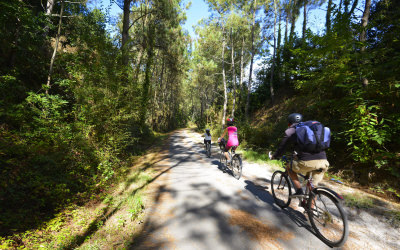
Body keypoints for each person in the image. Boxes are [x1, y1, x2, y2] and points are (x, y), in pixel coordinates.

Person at [271, 113, 329, 197]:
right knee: (313, 188)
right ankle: (310, 209)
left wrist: (275, 156)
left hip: (307, 162)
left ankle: (299, 191)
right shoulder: (310, 128)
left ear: (289, 123)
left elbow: (282, 146)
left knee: (289, 167)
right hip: (324, 162)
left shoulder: (291, 130)